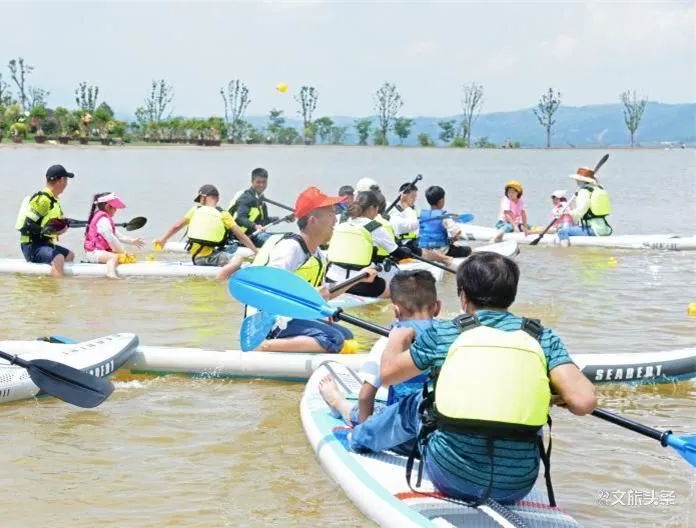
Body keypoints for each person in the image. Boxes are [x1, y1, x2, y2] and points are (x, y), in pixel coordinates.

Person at [347, 252, 598, 505]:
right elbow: (584, 402)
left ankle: (358, 437)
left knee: (418, 402)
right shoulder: (543, 337)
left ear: (463, 296)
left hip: (452, 476)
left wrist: (396, 340)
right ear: (511, 295)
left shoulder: (445, 333)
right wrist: (556, 393)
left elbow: (389, 375)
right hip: (517, 484)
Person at [252, 186, 378, 354]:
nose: (335, 219)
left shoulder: (317, 253)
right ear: (313, 220)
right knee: (334, 339)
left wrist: (359, 278)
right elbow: (270, 288)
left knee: (346, 335)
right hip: (270, 321)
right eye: (331, 214)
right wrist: (308, 295)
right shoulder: (291, 248)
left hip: (290, 316)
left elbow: (326, 293)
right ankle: (263, 346)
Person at [319, 270, 440, 431]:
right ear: (437, 307)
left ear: (396, 311)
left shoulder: (388, 342)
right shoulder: (452, 336)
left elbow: (365, 396)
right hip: (441, 430)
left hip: (401, 431)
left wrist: (361, 432)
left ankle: (339, 403)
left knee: (369, 412)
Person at [154, 184, 258, 277]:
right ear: (217, 199)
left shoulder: (195, 210)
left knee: (230, 249)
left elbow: (176, 226)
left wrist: (163, 240)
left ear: (203, 198)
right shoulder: (224, 214)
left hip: (196, 258)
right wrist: (256, 251)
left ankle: (223, 269)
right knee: (238, 258)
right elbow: (241, 236)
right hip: (209, 257)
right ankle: (220, 278)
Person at [326, 191, 413, 298]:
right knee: (403, 287)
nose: (377, 214)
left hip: (331, 280)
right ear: (372, 208)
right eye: (377, 210)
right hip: (358, 284)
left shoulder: (340, 220)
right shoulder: (373, 227)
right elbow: (397, 253)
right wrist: (406, 252)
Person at [15, 164, 76, 278]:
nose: (67, 184)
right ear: (61, 180)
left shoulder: (53, 200)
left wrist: (62, 227)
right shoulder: (44, 199)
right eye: (66, 180)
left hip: (45, 244)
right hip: (32, 246)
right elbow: (28, 225)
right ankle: (54, 293)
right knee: (59, 258)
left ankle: (51, 278)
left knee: (70, 255)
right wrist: (51, 231)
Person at [82, 193, 145, 279]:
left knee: (116, 255)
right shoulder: (103, 220)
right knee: (114, 257)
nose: (116, 210)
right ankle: (111, 274)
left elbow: (118, 236)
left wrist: (132, 241)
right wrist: (123, 252)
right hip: (93, 253)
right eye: (114, 207)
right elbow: (111, 239)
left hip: (98, 252)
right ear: (108, 207)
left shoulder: (105, 219)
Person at [227, 168, 284, 247]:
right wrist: (255, 226)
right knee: (280, 243)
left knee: (288, 237)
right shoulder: (246, 198)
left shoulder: (261, 200)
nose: (262, 185)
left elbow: (263, 221)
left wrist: (282, 219)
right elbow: (240, 218)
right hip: (243, 237)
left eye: (264, 182)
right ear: (252, 182)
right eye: (258, 182)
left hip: (256, 234)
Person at [556, 167, 612, 246]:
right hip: (604, 228)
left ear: (580, 180)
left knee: (562, 231)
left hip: (592, 229)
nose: (575, 181)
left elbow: (580, 212)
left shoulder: (584, 192)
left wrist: (565, 213)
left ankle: (565, 254)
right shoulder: (598, 189)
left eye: (577, 179)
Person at [418, 186, 472, 265]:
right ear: (441, 201)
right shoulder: (444, 216)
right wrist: (451, 241)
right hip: (443, 251)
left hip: (425, 251)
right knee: (468, 250)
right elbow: (457, 233)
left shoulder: (422, 215)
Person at [389, 182, 420, 250]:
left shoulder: (414, 210)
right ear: (402, 196)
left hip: (416, 242)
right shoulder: (394, 212)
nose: (414, 199)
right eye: (412, 197)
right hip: (404, 245)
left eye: (415, 197)